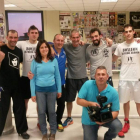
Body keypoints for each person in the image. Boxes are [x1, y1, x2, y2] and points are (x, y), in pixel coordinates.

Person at [77, 66, 122, 140]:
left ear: (107, 77)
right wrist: (90, 104)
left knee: (117, 126)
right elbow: (78, 100)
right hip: (90, 119)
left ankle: (108, 137)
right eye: (98, 74)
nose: (101, 77)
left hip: (105, 117)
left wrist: (104, 120)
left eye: (103, 74)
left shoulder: (113, 92)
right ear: (94, 76)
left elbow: (116, 111)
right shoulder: (87, 84)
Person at [0, 30, 30, 139]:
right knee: (2, 109)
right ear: (7, 37)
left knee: (20, 108)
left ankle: (22, 131)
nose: (13, 40)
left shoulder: (18, 51)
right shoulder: (1, 49)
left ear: (17, 38)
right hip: (3, 85)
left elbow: (22, 63)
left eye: (15, 37)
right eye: (11, 37)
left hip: (17, 84)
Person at [30, 40, 61, 140]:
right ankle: (44, 132)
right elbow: (32, 78)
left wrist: (59, 89)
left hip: (52, 90)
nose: (44, 49)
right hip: (39, 91)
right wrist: (32, 93)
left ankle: (53, 131)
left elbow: (57, 76)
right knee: (41, 112)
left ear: (49, 48)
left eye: (46, 47)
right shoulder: (35, 62)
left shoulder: (54, 60)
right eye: (42, 47)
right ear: (39, 49)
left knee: (52, 111)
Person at [113, 24, 140, 138]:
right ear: (123, 34)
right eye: (126, 32)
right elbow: (113, 59)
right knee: (125, 102)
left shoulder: (139, 45)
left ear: (134, 32)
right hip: (124, 77)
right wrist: (110, 46)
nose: (128, 33)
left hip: (137, 78)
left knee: (139, 103)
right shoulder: (120, 46)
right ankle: (126, 122)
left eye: (130, 31)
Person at [62, 29, 89, 128]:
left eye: (77, 37)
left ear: (80, 37)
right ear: (70, 38)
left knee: (86, 99)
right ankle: (69, 117)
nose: (76, 39)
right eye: (73, 37)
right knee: (69, 100)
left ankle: (87, 118)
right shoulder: (66, 46)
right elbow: (53, 44)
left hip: (83, 78)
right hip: (71, 78)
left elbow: (97, 43)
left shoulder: (84, 46)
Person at [16, 25, 39, 112]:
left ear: (38, 35)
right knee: (25, 100)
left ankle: (39, 121)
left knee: (39, 101)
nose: (34, 35)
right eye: (32, 33)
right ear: (28, 34)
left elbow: (51, 47)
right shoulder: (21, 44)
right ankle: (24, 121)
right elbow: (10, 45)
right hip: (26, 77)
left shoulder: (40, 44)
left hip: (38, 77)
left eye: (36, 33)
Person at [53, 34, 66, 132]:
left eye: (62, 41)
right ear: (54, 41)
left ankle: (58, 121)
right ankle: (51, 121)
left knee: (61, 104)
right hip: (49, 84)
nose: (60, 42)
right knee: (49, 106)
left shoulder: (65, 51)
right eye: (58, 40)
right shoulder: (48, 50)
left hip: (61, 83)